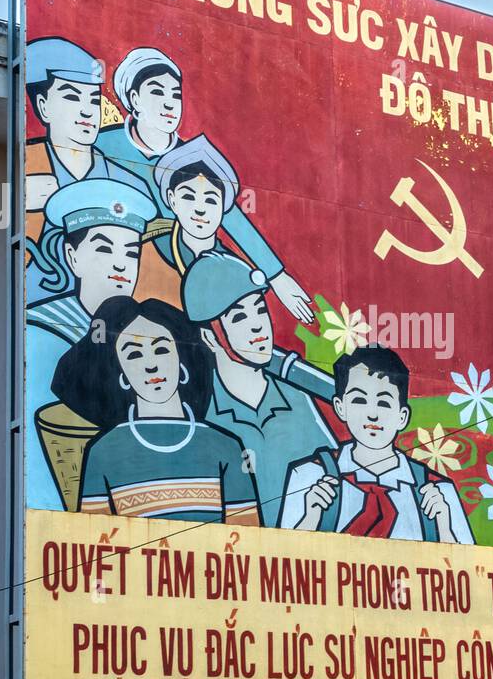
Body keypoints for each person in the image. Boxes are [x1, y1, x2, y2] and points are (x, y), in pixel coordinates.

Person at [52, 297, 259, 524]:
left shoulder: (226, 446)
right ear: (122, 376)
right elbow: (95, 540)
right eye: (134, 354)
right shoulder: (103, 451)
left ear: (182, 363)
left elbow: (247, 539)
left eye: (161, 349)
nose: (151, 365)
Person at [25, 180, 156, 510]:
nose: (121, 265)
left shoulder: (155, 337)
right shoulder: (42, 331)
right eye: (103, 249)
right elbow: (34, 449)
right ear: (72, 257)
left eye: (131, 252)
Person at [183, 250, 337, 525]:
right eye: (239, 318)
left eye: (260, 310)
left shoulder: (296, 398)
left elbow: (333, 478)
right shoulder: (200, 413)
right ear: (209, 336)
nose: (258, 327)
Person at [281, 345, 475, 544]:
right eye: (359, 400)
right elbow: (279, 565)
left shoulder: (437, 491)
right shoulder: (310, 476)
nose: (372, 414)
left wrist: (444, 529)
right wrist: (310, 519)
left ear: (402, 416)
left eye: (383, 403)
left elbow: (466, 572)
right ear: (341, 407)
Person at [153, 134, 315, 325]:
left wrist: (277, 277)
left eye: (211, 200)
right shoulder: (152, 253)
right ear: (172, 200)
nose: (200, 208)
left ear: (224, 208)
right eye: (189, 197)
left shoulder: (238, 267)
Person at [24, 37, 141, 298]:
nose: (87, 112)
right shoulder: (25, 169)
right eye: (71, 97)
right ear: (43, 107)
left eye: (93, 100)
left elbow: (148, 279)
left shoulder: (131, 186)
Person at [94, 47, 185, 208]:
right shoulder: (99, 146)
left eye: (176, 95)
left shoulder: (191, 159)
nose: (169, 104)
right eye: (157, 91)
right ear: (135, 99)